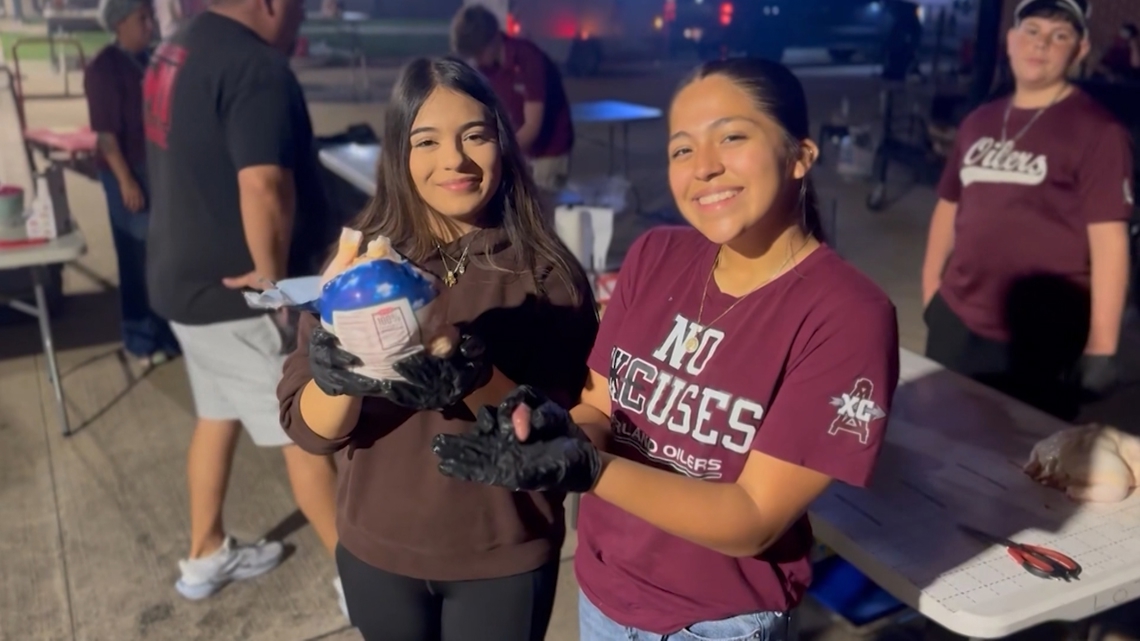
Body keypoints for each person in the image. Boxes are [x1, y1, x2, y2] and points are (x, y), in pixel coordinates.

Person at [433, 57, 901, 640]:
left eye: (731, 137)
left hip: (715, 622)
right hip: (605, 593)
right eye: (682, 149)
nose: (703, 167)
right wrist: (550, 434)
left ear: (800, 154)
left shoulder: (847, 315)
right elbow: (599, 409)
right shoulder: (657, 255)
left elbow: (754, 518)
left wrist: (589, 468)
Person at [277, 57, 598, 641]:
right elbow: (310, 431)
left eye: (474, 135)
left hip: (501, 559)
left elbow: (564, 434)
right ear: (399, 153)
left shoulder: (548, 276)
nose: (454, 159)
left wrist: (472, 373)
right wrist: (335, 374)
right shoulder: (361, 267)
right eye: (426, 141)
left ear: (503, 142)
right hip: (377, 555)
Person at [141, 0, 344, 613]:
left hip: (180, 280)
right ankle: (361, 582)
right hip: (238, 299)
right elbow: (264, 183)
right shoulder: (256, 67)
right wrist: (275, 282)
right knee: (305, 432)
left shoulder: (176, 46)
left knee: (218, 414)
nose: (302, 17)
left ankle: (205, 554)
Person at [920, 0, 1134, 420]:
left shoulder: (1099, 131)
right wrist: (932, 290)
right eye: (1032, 31)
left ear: (1080, 49)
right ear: (1012, 40)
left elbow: (1110, 242)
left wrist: (1102, 345)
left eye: (1059, 36)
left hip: (1042, 338)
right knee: (941, 441)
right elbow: (948, 205)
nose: (1041, 44)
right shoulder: (978, 121)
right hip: (958, 321)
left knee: (1021, 469)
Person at [87, 0, 181, 368]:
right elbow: (105, 134)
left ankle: (165, 331)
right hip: (125, 171)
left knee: (160, 256)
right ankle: (140, 337)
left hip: (155, 169)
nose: (150, 26)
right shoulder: (104, 68)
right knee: (136, 255)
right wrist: (126, 181)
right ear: (120, 23)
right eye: (142, 19)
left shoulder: (150, 61)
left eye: (150, 17)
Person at [450, 4, 574, 195]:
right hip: (521, 151)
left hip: (549, 153)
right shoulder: (488, 69)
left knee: (543, 213)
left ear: (493, 40)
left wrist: (499, 154)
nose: (477, 61)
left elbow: (533, 125)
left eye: (479, 54)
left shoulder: (528, 60)